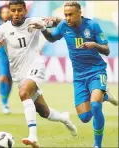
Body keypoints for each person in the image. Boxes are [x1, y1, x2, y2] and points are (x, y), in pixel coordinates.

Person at [0, 0, 78, 147]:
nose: (16, 14)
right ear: (9, 11)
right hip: (18, 74)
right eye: (13, 10)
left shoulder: (34, 22)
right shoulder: (2, 29)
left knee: (23, 93)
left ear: (25, 11)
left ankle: (33, 136)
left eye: (20, 10)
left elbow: (60, 21)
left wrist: (45, 26)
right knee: (44, 111)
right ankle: (64, 118)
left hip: (35, 67)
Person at [29, 1, 118, 148]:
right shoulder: (64, 26)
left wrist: (95, 45)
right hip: (79, 76)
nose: (67, 18)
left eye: (70, 15)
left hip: (96, 71)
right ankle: (105, 96)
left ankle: (97, 145)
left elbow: (107, 50)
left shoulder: (93, 25)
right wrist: (44, 29)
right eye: (65, 15)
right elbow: (51, 39)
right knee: (84, 117)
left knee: (95, 105)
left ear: (79, 13)